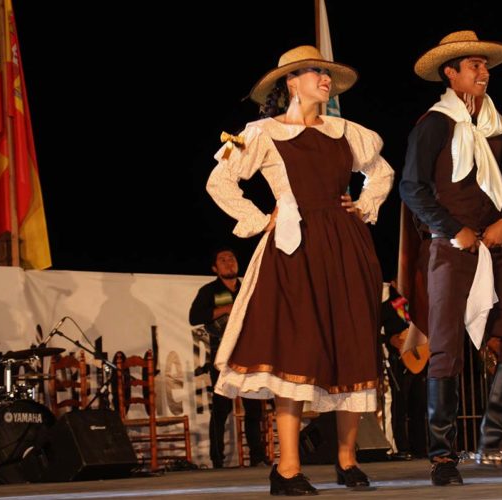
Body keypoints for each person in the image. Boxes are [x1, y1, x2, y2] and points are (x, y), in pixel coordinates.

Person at [206, 45, 394, 495]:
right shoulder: (262, 133)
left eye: (327, 74)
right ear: (291, 82)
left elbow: (382, 173)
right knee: (296, 348)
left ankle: (347, 461)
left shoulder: (347, 131)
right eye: (316, 73)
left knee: (350, 343)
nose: (325, 80)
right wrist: (260, 219)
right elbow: (220, 182)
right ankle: (287, 467)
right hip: (294, 247)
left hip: (347, 246)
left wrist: (364, 204)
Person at [399, 30, 502, 487]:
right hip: (449, 251)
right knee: (444, 351)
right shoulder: (435, 124)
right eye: (473, 65)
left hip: (491, 252)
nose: (483, 72)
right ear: (451, 73)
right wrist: (451, 229)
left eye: (485, 65)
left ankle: (494, 441)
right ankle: (443, 456)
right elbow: (412, 188)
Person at [188, 247, 268, 469]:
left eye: (231, 258)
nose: (228, 262)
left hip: (250, 355)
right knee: (221, 410)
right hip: (222, 358)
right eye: (222, 260)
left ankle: (257, 457)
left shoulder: (249, 288)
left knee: (254, 409)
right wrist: (227, 308)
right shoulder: (210, 291)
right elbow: (194, 317)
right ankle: (217, 459)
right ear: (215, 268)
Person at [380, 282, 428, 461]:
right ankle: (402, 447)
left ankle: (420, 448)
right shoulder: (387, 307)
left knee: (419, 405)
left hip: (420, 360)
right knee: (399, 405)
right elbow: (374, 330)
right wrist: (389, 339)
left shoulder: (417, 306)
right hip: (398, 362)